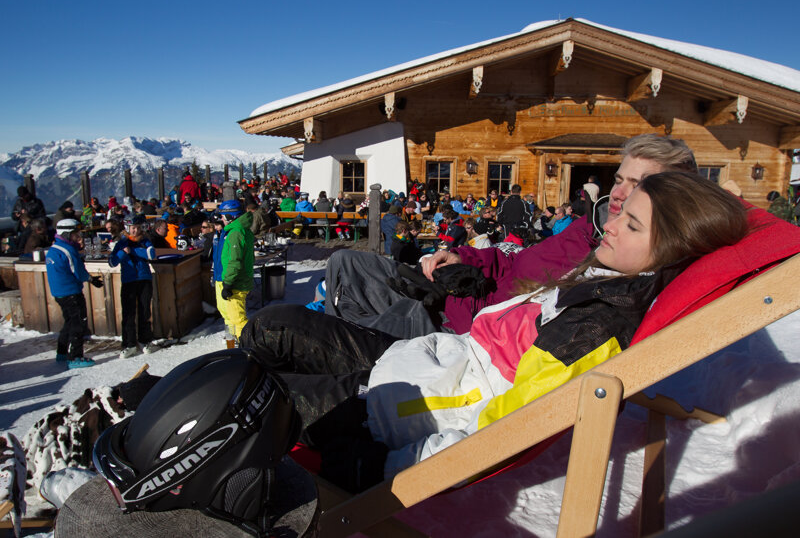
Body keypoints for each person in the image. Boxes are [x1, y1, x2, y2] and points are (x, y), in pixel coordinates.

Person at [241, 171, 749, 492]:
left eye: (632, 224)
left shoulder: (596, 325)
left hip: (406, 408)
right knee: (271, 327)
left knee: (249, 404)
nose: (611, 222)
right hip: (431, 361)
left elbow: (505, 426)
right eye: (618, 205)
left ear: (670, 249)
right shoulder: (601, 273)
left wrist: (387, 467)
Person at [324, 134, 698, 338]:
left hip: (459, 330)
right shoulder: (590, 228)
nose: (619, 193)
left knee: (318, 332)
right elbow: (514, 261)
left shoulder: (626, 259)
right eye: (618, 180)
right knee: (345, 261)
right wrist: (464, 258)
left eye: (638, 185)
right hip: (460, 292)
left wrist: (467, 306)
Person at [45, 219, 104, 369]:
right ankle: (75, 357)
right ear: (67, 234)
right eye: (75, 234)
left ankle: (62, 352)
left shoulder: (54, 248)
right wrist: (91, 279)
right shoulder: (68, 250)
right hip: (71, 292)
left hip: (59, 293)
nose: (78, 238)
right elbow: (78, 271)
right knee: (78, 324)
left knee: (69, 322)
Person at [109, 216, 157, 359]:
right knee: (128, 313)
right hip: (128, 280)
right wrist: (123, 252)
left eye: (137, 227)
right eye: (132, 227)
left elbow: (151, 254)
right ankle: (129, 343)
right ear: (127, 228)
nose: (134, 230)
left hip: (144, 278)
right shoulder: (121, 243)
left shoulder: (144, 241)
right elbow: (112, 262)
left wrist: (134, 251)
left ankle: (145, 340)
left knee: (144, 311)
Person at [213, 200, 254, 341]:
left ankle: (248, 345)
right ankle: (234, 340)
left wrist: (229, 283)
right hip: (231, 279)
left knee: (238, 319)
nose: (222, 220)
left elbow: (234, 262)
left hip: (236, 282)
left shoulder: (236, 233)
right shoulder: (235, 231)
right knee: (230, 314)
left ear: (231, 217)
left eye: (224, 217)